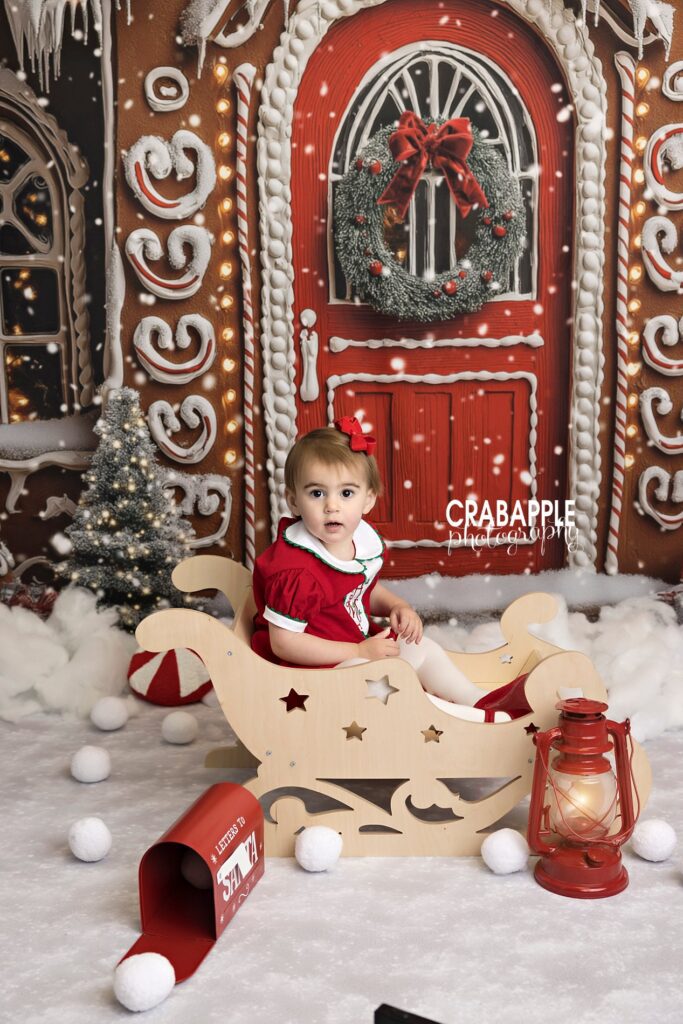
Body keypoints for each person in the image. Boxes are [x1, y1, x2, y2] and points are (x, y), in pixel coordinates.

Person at [251, 417, 516, 720]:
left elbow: (360, 586)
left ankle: (477, 700)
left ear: (368, 500)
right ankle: (455, 719)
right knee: (387, 684)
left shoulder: (355, 541)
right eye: (317, 493)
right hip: (316, 671)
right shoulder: (297, 572)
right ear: (293, 501)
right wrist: (357, 652)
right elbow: (284, 643)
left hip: (354, 645)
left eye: (346, 493)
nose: (332, 506)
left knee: (420, 647)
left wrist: (396, 605)